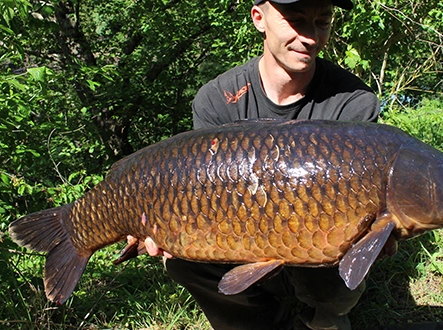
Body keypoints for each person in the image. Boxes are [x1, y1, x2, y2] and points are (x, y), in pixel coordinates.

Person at [141, 0, 395, 329]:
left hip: (316, 246)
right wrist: (160, 222)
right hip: (238, 242)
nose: (310, 37)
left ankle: (320, 320)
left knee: (339, 247)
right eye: (296, 20)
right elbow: (200, 195)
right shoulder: (218, 100)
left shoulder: (353, 103)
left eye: (322, 21)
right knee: (182, 259)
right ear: (259, 19)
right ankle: (262, 320)